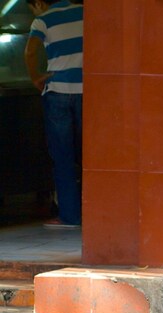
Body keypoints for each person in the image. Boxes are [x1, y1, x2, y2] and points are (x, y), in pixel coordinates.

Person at [23, 0, 84, 229]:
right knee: (90, 154)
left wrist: (35, 77)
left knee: (62, 156)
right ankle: (97, 211)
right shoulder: (86, 13)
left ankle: (69, 216)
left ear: (39, 3)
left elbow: (30, 51)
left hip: (57, 90)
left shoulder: (43, 20)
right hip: (88, 91)